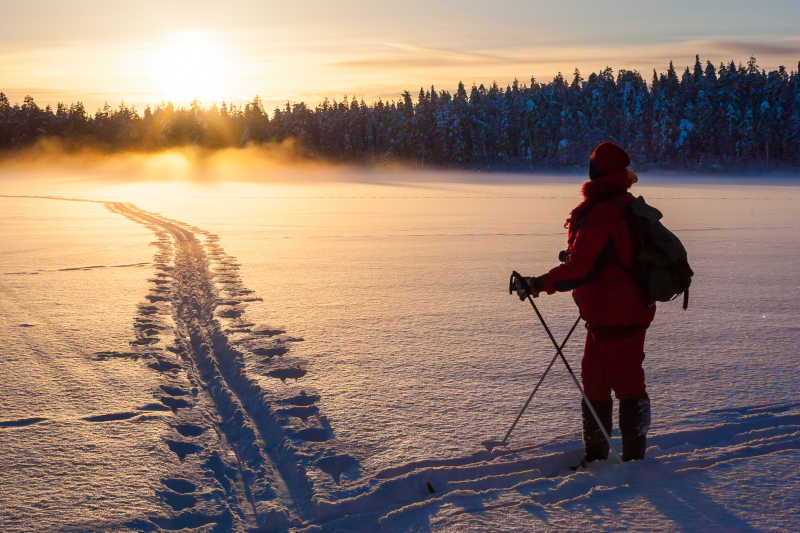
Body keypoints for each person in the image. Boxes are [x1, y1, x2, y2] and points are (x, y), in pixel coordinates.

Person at [513, 141, 654, 463]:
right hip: (609, 312)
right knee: (597, 383)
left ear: (596, 172)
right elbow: (600, 256)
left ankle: (633, 463)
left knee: (624, 384)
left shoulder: (604, 213)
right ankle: (599, 458)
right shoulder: (621, 205)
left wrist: (538, 284)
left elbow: (581, 268)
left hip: (620, 313)